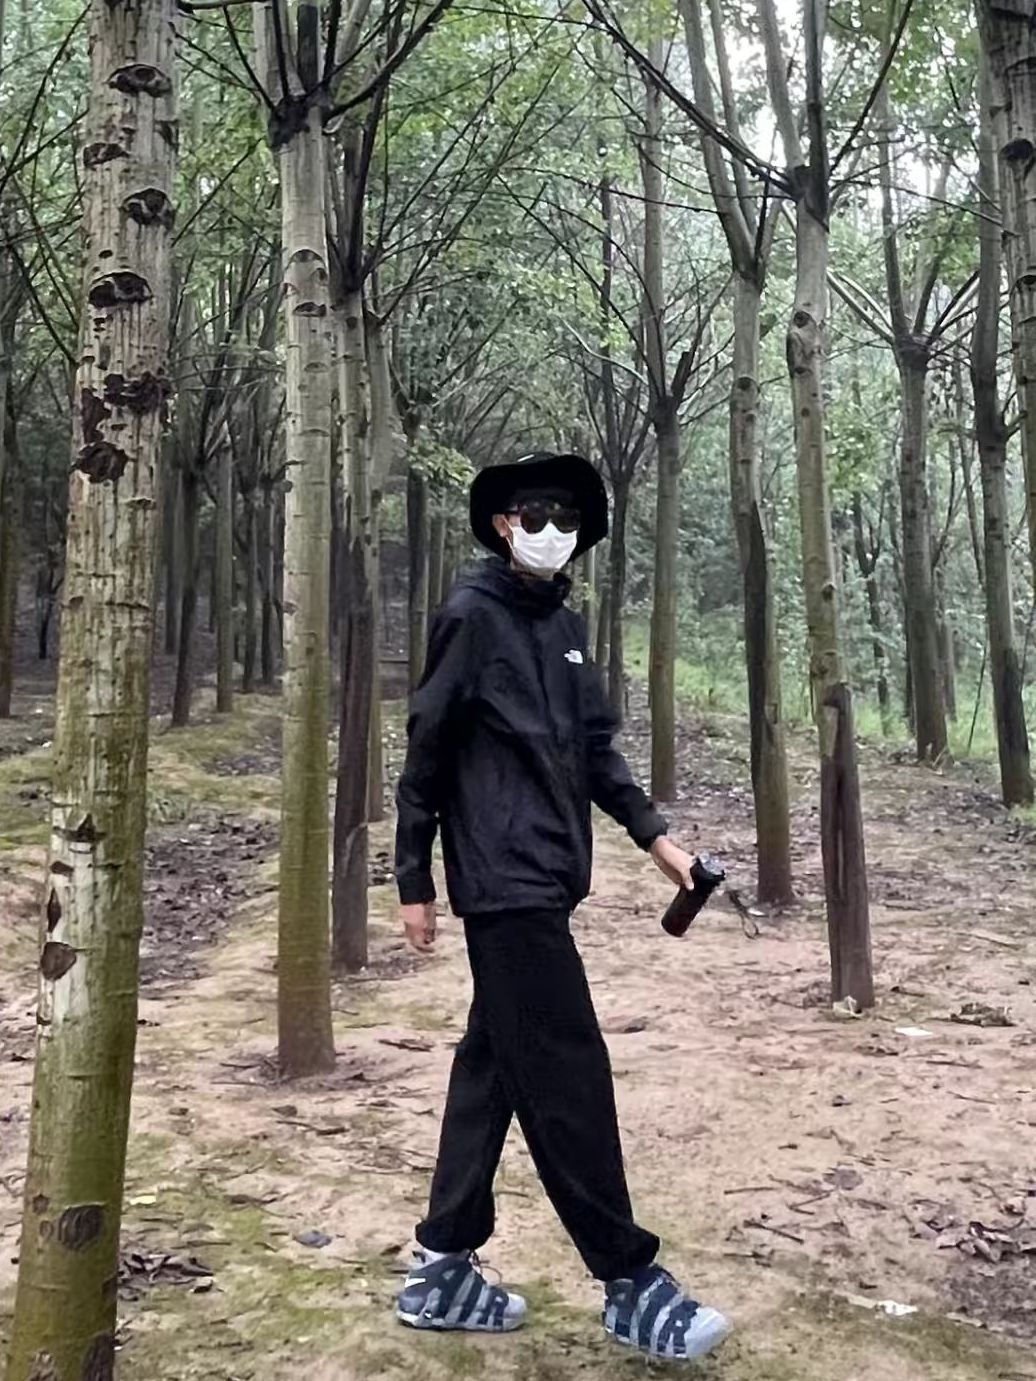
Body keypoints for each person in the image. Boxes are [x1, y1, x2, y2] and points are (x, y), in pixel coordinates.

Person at [393, 452, 731, 1362]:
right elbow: (427, 747)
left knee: (495, 1065)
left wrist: (659, 842)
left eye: (568, 517)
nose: (552, 529)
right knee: (567, 1069)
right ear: (504, 521)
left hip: (548, 874)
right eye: (536, 513)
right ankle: (628, 1280)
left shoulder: (567, 627)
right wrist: (412, 876)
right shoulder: (471, 617)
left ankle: (440, 1266)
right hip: (503, 882)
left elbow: (596, 750)